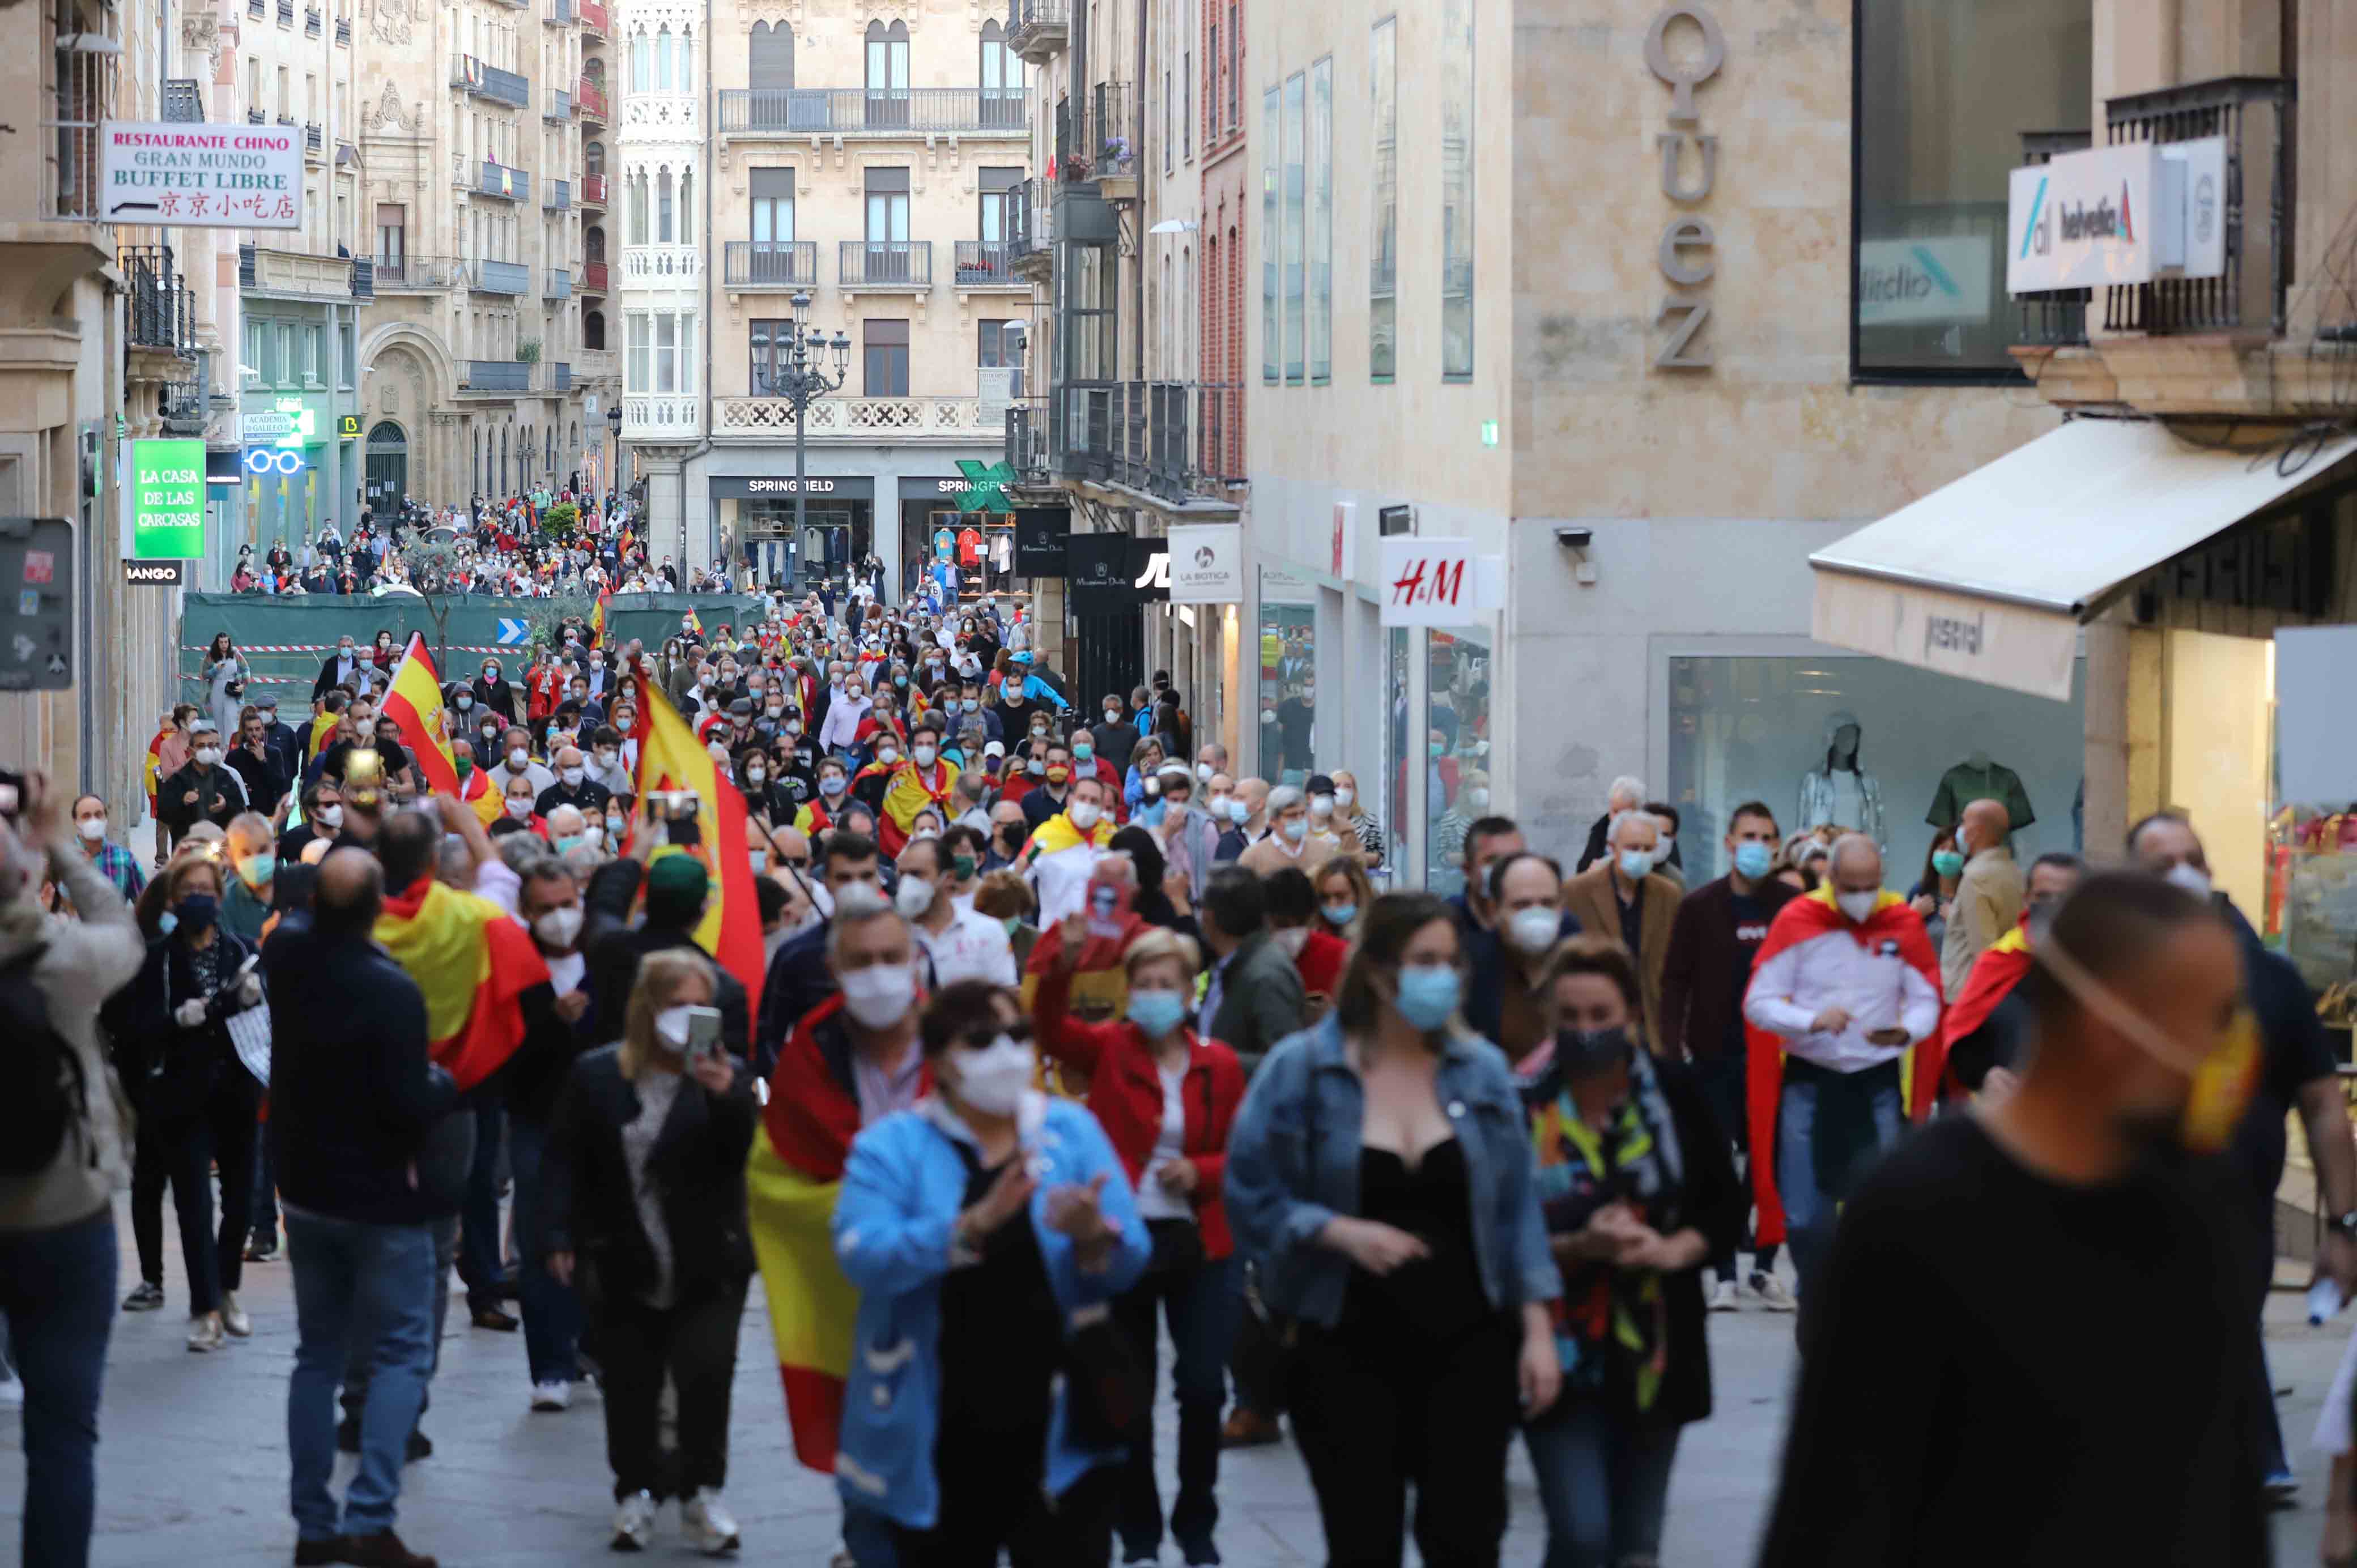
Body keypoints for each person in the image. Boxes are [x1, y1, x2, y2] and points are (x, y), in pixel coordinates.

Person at [1756, 871, 2270, 1566]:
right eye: (2211, 1020)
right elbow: (1834, 1504)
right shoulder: (1917, 1208)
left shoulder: (2201, 1201)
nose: (2231, 1051)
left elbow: (2226, 1484)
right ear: (2107, 1025)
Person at [1225, 892, 1563, 1568]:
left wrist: (1536, 1330)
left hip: (1470, 1342)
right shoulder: (1303, 1070)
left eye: (1450, 962)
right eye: (1423, 961)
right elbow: (1248, 1192)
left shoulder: (1483, 1072)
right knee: (1361, 1538)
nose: (1442, 976)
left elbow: (1516, 1210)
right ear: (1379, 971)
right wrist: (1335, 1231)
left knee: (1466, 1535)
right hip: (1342, 1341)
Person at [831, 978, 1150, 1564]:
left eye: (1017, 1034)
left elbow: (1131, 1254)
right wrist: (969, 1225)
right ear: (939, 1062)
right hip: (934, 1430)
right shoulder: (893, 1146)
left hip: (1060, 1429)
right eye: (981, 1039)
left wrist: (1094, 1239)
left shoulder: (1070, 1130)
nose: (1005, 1052)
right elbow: (862, 1254)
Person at [2126, 811, 2357, 1498]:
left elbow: (2321, 1105)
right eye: (2161, 861)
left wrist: (2342, 1228)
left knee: (2215, 1325)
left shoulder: (2269, 980)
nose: (2181, 872)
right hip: (2117, 1208)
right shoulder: (2098, 974)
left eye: (2191, 857)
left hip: (2231, 1210)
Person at [1521, 936, 1739, 1568]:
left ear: (1631, 1018)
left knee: (1636, 1547)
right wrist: (1580, 1244)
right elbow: (1498, 1229)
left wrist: (1670, 1250)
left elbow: (1721, 1206)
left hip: (1655, 1345)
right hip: (1556, 1347)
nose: (1585, 1032)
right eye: (1570, 1018)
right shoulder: (1523, 1101)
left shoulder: (1673, 1093)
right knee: (1581, 1534)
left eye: (1600, 1017)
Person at [266, 849, 456, 1568]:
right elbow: (410, 1103)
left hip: (306, 1189)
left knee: (317, 1353)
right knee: (402, 1347)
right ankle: (371, 1514)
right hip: (380, 1194)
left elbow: (294, 921)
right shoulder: (390, 990)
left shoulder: (288, 961)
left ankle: (315, 1523)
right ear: (378, 909)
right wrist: (443, 1084)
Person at [1036, 922, 1245, 1568]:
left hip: (1202, 1240)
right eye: (1144, 983)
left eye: (1167, 983)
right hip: (1123, 1237)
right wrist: (1059, 971)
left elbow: (1239, 1153)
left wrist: (1200, 1171)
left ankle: (1197, 1521)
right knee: (1128, 1389)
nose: (1155, 993)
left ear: (1189, 992)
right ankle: (1139, 1533)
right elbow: (1050, 1031)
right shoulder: (1109, 1049)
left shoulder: (1219, 1061)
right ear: (1130, 991)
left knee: (1203, 1385)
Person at [543, 948, 755, 1555]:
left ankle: (702, 1491)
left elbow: (743, 1155)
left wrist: (726, 1097)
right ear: (647, 1008)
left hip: (708, 1255)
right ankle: (633, 1490)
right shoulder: (598, 1075)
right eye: (675, 1004)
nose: (687, 1017)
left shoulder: (729, 1077)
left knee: (706, 1373)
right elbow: (564, 1159)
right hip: (623, 1248)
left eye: (699, 1005)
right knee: (630, 1380)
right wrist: (557, 1235)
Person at [0, 776, 146, 1568]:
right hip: (63, 1211)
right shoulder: (65, 962)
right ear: (28, 879)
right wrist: (53, 839)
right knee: (63, 1435)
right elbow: (121, 925)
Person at [1739, 833, 1943, 1292]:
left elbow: (1928, 999)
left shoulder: (1901, 921)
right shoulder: (1799, 919)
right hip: (1810, 1079)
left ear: (1883, 879)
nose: (1861, 897)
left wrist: (1907, 1030)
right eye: (1850, 886)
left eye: (1869, 885)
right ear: (1830, 878)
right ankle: (1813, 1290)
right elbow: (1758, 1002)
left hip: (1878, 1081)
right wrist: (1810, 1020)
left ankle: (1860, 1300)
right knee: (1804, 1215)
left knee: (1879, 1207)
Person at [103, 851, 267, 1350]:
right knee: (194, 1204)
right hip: (180, 1095)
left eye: (208, 891)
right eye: (190, 891)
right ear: (175, 900)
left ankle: (227, 1289)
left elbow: (261, 1025)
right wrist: (177, 1019)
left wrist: (256, 999)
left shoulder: (241, 953)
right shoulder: (155, 959)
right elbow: (129, 1028)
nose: (200, 899)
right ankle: (205, 1309)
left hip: (238, 1093)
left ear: (220, 899)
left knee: (239, 1201)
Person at [1658, 799, 1801, 1311]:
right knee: (1718, 1162)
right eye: (1748, 836)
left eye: (1766, 838)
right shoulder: (1699, 906)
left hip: (1778, 1057)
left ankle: (1764, 1267)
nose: (1757, 847)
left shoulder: (1790, 905)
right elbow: (1674, 980)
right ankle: (1723, 1273)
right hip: (1714, 1053)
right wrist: (1672, 1047)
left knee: (1773, 1163)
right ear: (1729, 843)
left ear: (1777, 846)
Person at [508, 858, 597, 1410]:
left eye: (567, 904)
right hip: (536, 1118)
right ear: (527, 912)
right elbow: (506, 1050)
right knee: (540, 1238)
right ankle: (550, 1365)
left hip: (602, 1123)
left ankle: (593, 1344)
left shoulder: (606, 958)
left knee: (601, 1238)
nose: (560, 917)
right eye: (547, 909)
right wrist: (551, 1022)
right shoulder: (516, 967)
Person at [1944, 852, 2085, 1101]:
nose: (2053, 905)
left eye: (2065, 898)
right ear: (2027, 899)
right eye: (2043, 897)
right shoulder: (2000, 961)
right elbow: (1964, 1037)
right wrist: (1985, 1075)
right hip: (2011, 1114)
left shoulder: (2108, 965)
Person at [1560, 811, 1682, 1049]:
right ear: (1612, 847)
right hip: (1596, 1021)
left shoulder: (1669, 894)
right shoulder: (1577, 892)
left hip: (1652, 1023)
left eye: (1648, 849)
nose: (1641, 855)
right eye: (1633, 847)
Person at [1463, 852, 1582, 1067]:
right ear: (1495, 910)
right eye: (1522, 905)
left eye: (1547, 904)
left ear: (1562, 907)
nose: (1537, 916)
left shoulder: (1586, 968)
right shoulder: (1468, 971)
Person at [1195, 864, 1307, 1077]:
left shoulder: (1267, 976)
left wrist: (1213, 1059)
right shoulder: (1228, 964)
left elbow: (1286, 1064)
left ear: (1209, 917)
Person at [893, 835, 1017, 987]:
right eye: (902, 875)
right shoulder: (891, 937)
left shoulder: (988, 932)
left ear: (949, 878)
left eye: (917, 874)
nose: (907, 883)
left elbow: (1005, 996)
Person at [1939, 797, 2025, 999]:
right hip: (2005, 987)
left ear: (1976, 832)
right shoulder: (2013, 870)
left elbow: (1983, 950)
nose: (1960, 829)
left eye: (1964, 822)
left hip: (1972, 993)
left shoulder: (1975, 877)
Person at [1022, 773, 1116, 926]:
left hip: (1097, 938)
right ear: (1070, 800)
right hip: (1055, 935)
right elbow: (1018, 875)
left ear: (1100, 808)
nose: (1087, 805)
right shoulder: (1045, 836)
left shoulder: (1111, 838)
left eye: (1094, 801)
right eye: (1082, 798)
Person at [158, 718, 251, 837]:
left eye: (211, 746)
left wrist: (225, 806)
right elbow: (163, 814)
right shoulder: (179, 779)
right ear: (191, 751)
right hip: (188, 844)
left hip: (219, 843)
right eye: (201, 746)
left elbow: (240, 812)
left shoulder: (225, 777)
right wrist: (182, 801)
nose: (207, 750)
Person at [1239, 784, 1341, 879]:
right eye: (1292, 815)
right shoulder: (1253, 856)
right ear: (1273, 821)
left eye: (1303, 813)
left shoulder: (1324, 851)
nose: (1300, 819)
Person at [70, 791, 147, 902]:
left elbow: (145, 905)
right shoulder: (63, 861)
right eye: (86, 816)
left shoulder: (124, 859)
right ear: (76, 822)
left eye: (98, 815)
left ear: (106, 818)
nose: (94, 821)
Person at [1575, 776, 1647, 875]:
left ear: (1638, 812)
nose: (1618, 819)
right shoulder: (1600, 831)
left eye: (1625, 813)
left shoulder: (1654, 835)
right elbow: (1582, 872)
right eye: (1615, 811)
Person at [1331, 768, 1385, 870]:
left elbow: (1379, 857)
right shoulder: (1323, 820)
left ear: (1354, 792)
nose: (1342, 790)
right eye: (1337, 786)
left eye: (1347, 786)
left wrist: (1350, 857)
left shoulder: (1369, 821)